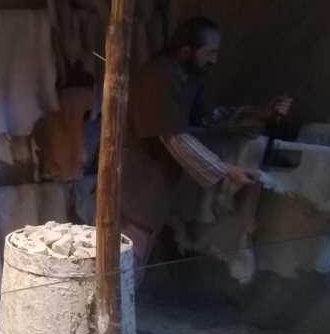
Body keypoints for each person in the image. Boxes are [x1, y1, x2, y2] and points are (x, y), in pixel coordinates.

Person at [122, 17, 292, 281]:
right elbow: (174, 137)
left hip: (158, 179)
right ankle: (117, 305)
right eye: (210, 52)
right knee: (129, 251)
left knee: (138, 250)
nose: (214, 60)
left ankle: (124, 302)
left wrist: (260, 114)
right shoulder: (158, 77)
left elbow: (207, 117)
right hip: (138, 177)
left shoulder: (187, 77)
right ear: (186, 51)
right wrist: (225, 170)